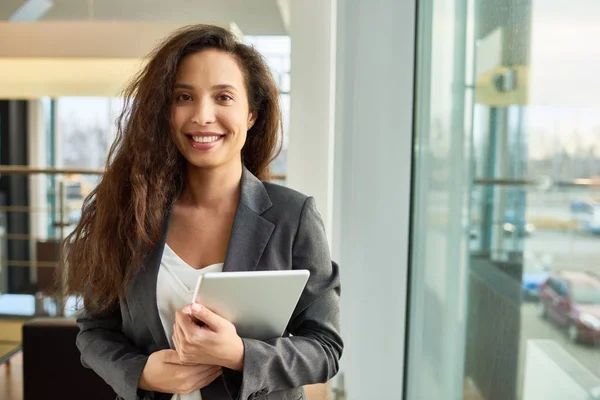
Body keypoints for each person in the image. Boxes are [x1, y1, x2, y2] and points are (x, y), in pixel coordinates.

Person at [60, 24, 343, 400]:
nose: (202, 116)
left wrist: (242, 355)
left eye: (224, 97)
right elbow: (94, 331)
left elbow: (325, 346)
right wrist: (141, 372)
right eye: (183, 97)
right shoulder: (126, 212)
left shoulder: (293, 217)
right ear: (165, 110)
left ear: (252, 114)